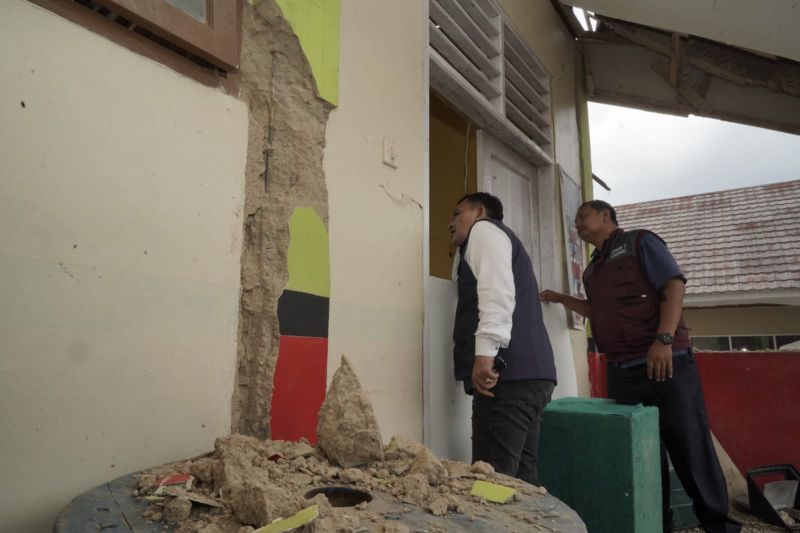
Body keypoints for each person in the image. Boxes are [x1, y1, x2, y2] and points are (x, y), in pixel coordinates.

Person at [540, 200, 740, 533]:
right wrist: (563, 299)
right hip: (622, 370)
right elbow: (597, 310)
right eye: (575, 220)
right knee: (641, 451)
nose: (577, 224)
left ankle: (719, 525)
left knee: (689, 446)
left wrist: (663, 340)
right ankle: (657, 524)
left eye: (583, 217)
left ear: (606, 216)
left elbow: (673, 285)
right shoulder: (592, 270)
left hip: (666, 362)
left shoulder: (640, 242)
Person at [449, 192, 557, 486]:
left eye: (457, 213)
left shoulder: (484, 230)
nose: (451, 222)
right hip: (533, 375)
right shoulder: (501, 241)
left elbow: (495, 292)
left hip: (504, 377)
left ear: (479, 212)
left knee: (491, 480)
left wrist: (484, 354)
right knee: (522, 479)